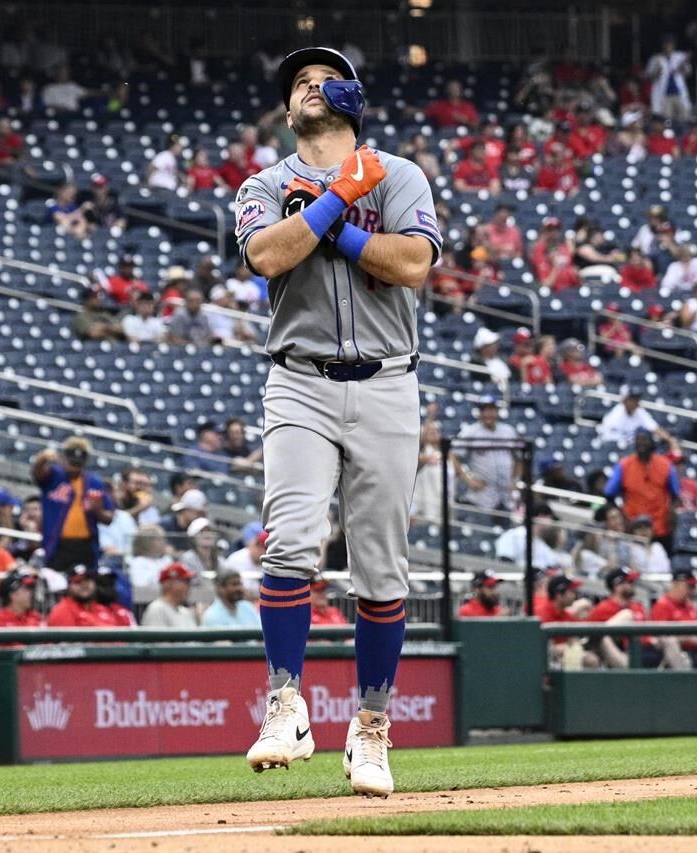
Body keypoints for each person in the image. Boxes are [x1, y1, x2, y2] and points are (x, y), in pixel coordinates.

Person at [235, 47, 441, 796]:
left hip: (388, 380)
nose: (309, 88)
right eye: (297, 82)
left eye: (323, 79)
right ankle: (285, 701)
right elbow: (266, 254)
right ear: (289, 110)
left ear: (352, 97)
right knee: (289, 538)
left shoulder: (399, 174)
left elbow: (412, 262)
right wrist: (336, 201)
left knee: (382, 567)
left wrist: (339, 223)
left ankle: (372, 725)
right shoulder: (262, 184)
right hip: (299, 379)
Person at [32, 437, 115, 572]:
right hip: (57, 543)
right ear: (64, 457)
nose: (74, 468)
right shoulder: (54, 475)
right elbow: (37, 473)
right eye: (71, 463)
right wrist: (43, 458)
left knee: (86, 584)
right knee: (56, 583)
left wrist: (98, 510)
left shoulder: (94, 482)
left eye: (78, 464)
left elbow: (109, 518)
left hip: (85, 545)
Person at [604, 431, 680, 554]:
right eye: (638, 441)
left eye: (645, 441)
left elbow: (675, 495)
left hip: (660, 527)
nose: (641, 444)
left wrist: (671, 513)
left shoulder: (665, 465)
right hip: (632, 526)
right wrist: (622, 517)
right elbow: (609, 494)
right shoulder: (624, 465)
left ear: (652, 443)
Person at [453, 397, 520, 512]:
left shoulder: (508, 431)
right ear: (480, 413)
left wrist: (515, 480)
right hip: (481, 497)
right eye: (485, 410)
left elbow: (520, 458)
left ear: (497, 412)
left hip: (506, 497)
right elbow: (453, 455)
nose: (488, 413)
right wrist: (468, 478)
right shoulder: (470, 431)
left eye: (491, 409)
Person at [597, 388, 675, 448]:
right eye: (632, 399)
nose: (635, 402)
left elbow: (655, 428)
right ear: (625, 401)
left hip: (632, 447)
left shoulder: (639, 412)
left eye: (637, 399)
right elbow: (608, 439)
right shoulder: (614, 415)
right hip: (615, 446)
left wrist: (670, 440)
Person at [46, 565, 113, 627]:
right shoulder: (62, 611)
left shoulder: (101, 608)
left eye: (87, 580)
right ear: (68, 586)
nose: (84, 585)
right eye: (77, 581)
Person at [139, 562, 198, 627]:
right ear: (170, 584)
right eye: (185, 581)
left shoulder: (185, 612)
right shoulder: (157, 609)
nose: (189, 587)